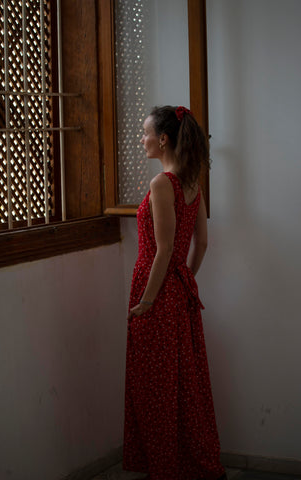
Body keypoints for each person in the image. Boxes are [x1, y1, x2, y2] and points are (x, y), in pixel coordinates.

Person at [123, 105, 226, 480]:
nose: (142, 139)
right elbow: (201, 243)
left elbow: (164, 250)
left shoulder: (161, 184)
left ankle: (165, 469)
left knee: (156, 387)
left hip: (157, 292)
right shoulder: (193, 181)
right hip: (179, 293)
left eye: (145, 132)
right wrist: (187, 279)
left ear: (163, 139)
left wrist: (147, 302)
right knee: (183, 383)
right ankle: (186, 464)